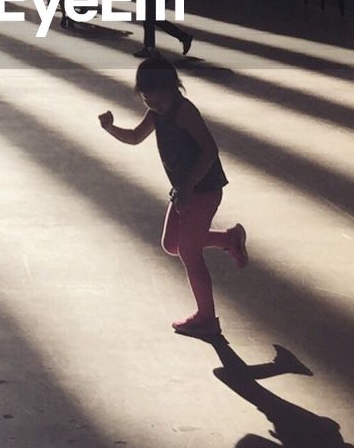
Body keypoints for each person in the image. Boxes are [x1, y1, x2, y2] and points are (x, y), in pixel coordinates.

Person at [98, 55, 247, 339]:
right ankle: (228, 239)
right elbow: (134, 137)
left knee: (189, 253)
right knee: (172, 244)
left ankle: (207, 319)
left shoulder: (183, 112)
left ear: (164, 89)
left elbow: (209, 150)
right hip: (185, 189)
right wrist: (109, 128)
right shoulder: (157, 113)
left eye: (147, 93)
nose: (144, 99)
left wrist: (189, 187)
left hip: (203, 189)